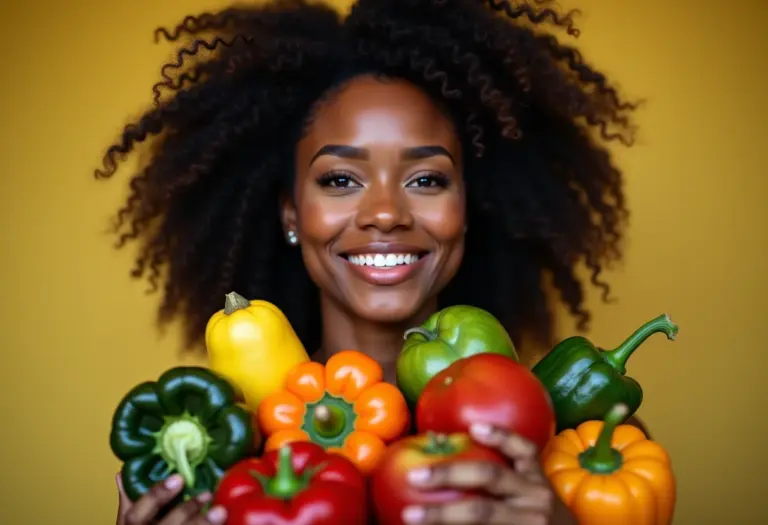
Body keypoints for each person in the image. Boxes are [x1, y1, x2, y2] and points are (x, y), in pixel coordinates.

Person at [99, 0, 645, 523]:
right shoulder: (211, 454)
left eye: (426, 180)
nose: (385, 213)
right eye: (340, 179)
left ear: (466, 211)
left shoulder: (586, 444)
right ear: (292, 214)